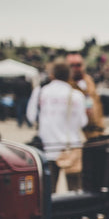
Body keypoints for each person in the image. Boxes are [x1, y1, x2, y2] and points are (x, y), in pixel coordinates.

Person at [27, 61, 88, 192]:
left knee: (48, 192)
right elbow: (83, 122)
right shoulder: (77, 95)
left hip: (47, 146)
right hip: (71, 147)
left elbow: (31, 116)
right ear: (69, 76)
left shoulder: (40, 92)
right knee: (75, 190)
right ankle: (73, 212)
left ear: (52, 75)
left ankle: (53, 213)